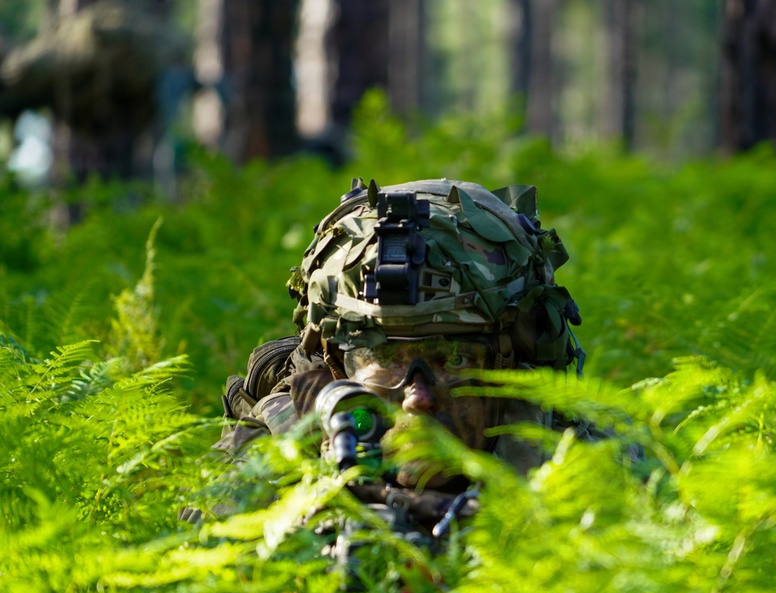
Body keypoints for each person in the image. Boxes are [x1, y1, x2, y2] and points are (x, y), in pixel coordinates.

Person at [212, 178, 585, 535]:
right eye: (384, 358)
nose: (417, 398)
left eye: (455, 360)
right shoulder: (274, 455)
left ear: (512, 364)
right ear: (336, 365)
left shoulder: (580, 465)